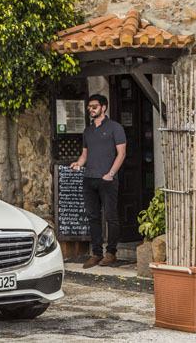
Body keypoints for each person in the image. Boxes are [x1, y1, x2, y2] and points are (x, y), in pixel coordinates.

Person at [70, 94, 126, 268]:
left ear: (103, 107)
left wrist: (111, 173)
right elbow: (84, 155)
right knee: (93, 217)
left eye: (94, 106)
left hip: (107, 179)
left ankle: (111, 253)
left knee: (111, 217)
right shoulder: (88, 131)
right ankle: (96, 253)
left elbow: (122, 153)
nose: (91, 109)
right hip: (89, 179)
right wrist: (78, 164)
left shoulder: (115, 128)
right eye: (89, 107)